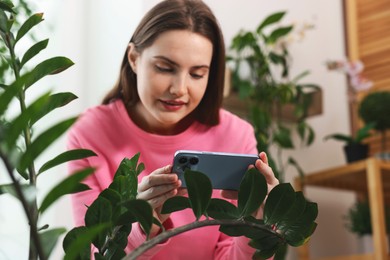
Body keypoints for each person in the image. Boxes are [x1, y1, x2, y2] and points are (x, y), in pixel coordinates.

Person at [67, 0, 279, 259]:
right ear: (134, 59)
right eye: (165, 68)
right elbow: (89, 252)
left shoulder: (237, 134)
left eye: (197, 74)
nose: (179, 88)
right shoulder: (89, 133)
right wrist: (143, 225)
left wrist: (258, 224)